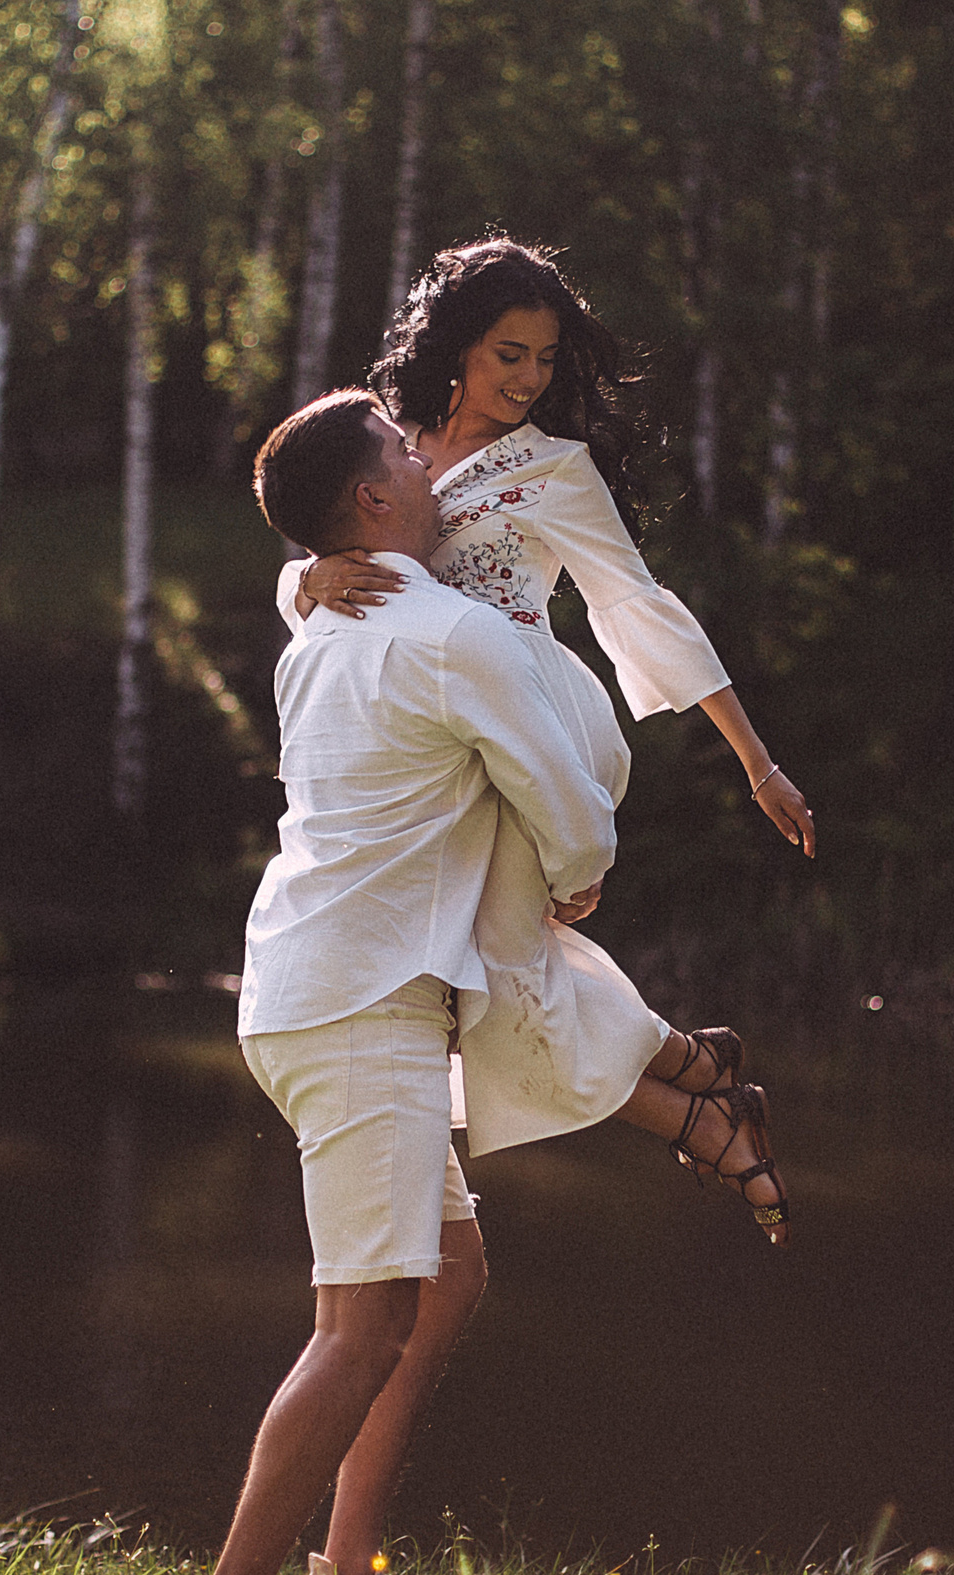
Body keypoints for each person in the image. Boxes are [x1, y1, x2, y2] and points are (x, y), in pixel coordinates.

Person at [176, 388, 621, 1575]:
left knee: (449, 1275)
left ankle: (347, 1573)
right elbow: (571, 802)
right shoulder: (438, 630)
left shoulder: (327, 616)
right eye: (405, 456)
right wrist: (577, 868)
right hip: (360, 1003)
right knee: (358, 1324)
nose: (430, 466)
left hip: (322, 985)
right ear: (372, 502)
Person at [289, 236, 809, 1233]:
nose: (531, 377)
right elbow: (324, 560)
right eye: (507, 354)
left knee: (493, 985)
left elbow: (642, 608)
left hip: (532, 724)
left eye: (545, 355)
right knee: (466, 984)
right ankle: (701, 1082)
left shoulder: (554, 471)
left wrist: (757, 760)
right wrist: (305, 578)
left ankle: (700, 1103)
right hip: (435, 742)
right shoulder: (385, 447)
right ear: (454, 349)